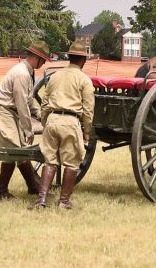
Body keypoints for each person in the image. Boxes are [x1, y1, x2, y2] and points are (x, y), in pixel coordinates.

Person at [31, 41, 95, 210]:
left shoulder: (55, 76)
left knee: (49, 161)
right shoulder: (84, 80)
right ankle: (64, 201)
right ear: (83, 60)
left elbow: (44, 103)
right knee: (71, 163)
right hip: (70, 121)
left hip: (52, 120)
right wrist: (86, 132)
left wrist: (46, 123)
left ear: (69, 57)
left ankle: (42, 200)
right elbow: (88, 110)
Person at [0, 40, 50, 200]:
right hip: (2, 110)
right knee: (13, 149)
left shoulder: (28, 72)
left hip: (10, 112)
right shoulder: (22, 74)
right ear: (36, 57)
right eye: (43, 60)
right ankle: (1, 192)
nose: (43, 64)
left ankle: (33, 186)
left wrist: (41, 116)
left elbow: (28, 101)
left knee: (20, 149)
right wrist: (28, 130)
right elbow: (22, 105)